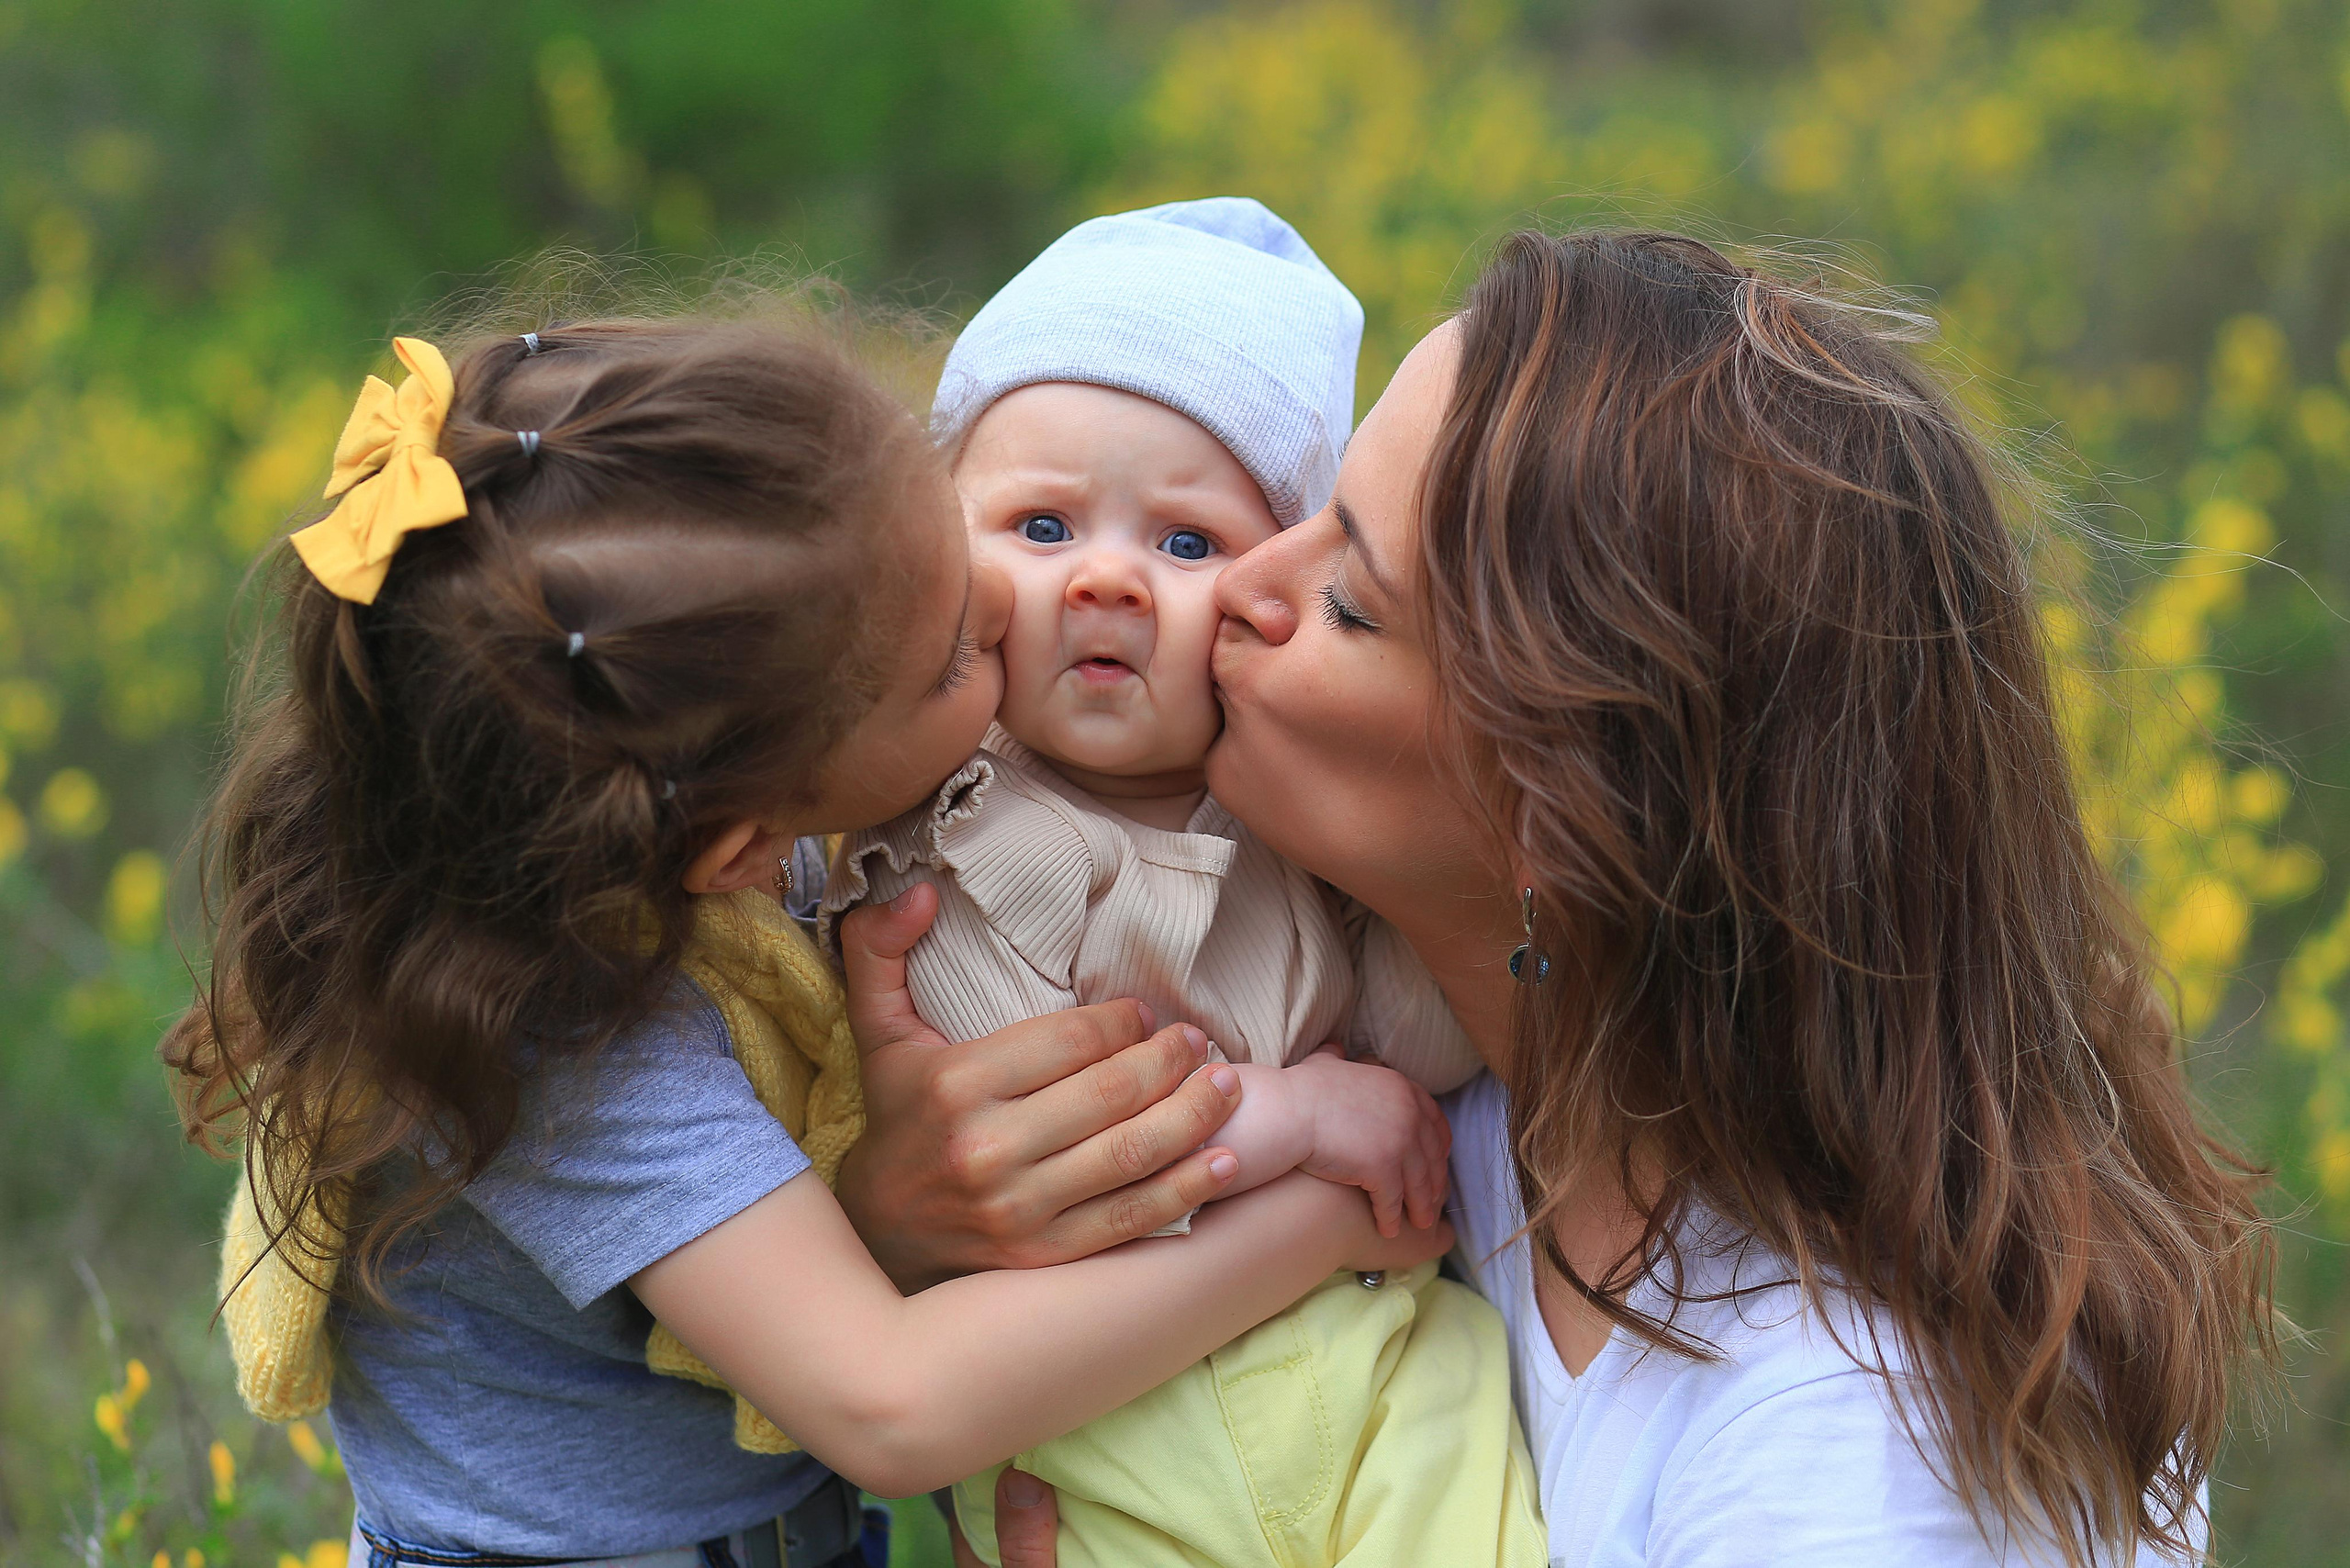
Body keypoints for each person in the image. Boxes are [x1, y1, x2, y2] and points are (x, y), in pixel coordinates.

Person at [850, 230, 2277, 1567]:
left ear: (1572, 813)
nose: (1235, 593)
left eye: (1351, 599)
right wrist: (906, 1212)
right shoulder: (1473, 1110)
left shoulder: (1864, 1447)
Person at [162, 312, 1446, 1568]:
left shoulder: (629, 822)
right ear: (739, 847)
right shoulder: (563, 1038)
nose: (1006, 599)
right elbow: (891, 1403)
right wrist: (1328, 1213)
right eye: (950, 659)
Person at [819, 198, 1542, 1567]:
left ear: (1278, 587)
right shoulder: (924, 839)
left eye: (1187, 544)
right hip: (1107, 1439)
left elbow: (1434, 1056)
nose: (1107, 579)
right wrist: (1298, 1113)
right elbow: (1060, 1162)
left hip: (1387, 1385)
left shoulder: (1303, 829)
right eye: (1040, 527)